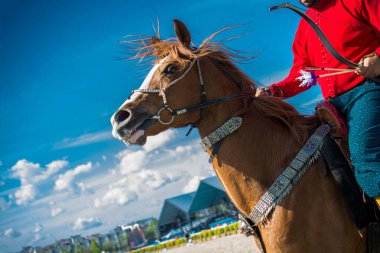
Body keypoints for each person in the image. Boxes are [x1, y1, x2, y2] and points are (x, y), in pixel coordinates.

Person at [256, 0, 380, 200]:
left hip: (368, 91)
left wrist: (378, 57)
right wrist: (275, 91)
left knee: (365, 154)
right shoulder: (304, 28)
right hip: (331, 108)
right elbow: (303, 76)